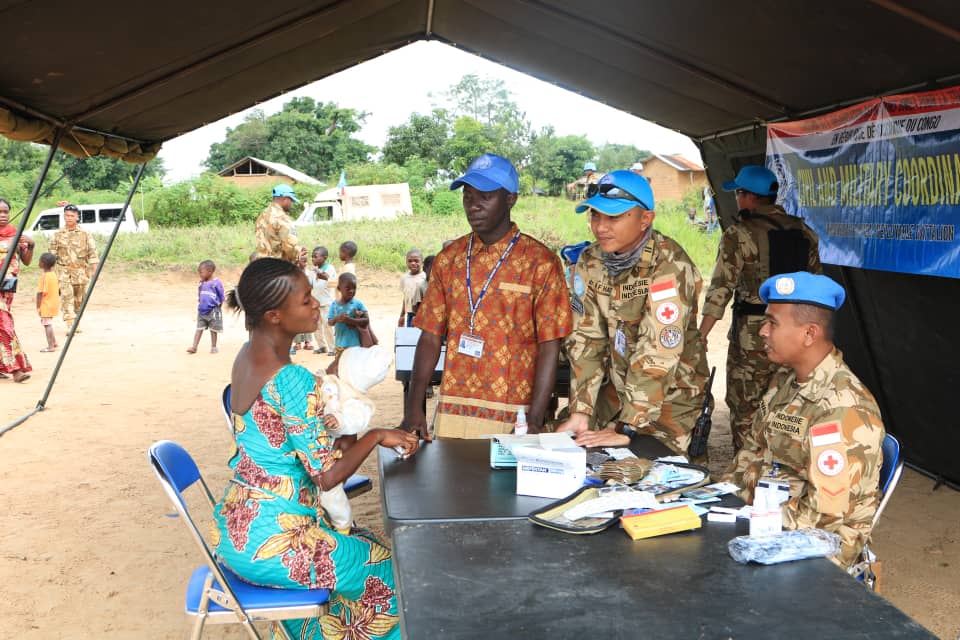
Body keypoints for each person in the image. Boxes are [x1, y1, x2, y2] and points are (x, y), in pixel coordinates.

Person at [212, 257, 418, 639]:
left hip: (238, 530)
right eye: (306, 300)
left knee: (361, 541)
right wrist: (376, 435)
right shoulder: (291, 379)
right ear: (274, 315)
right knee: (391, 571)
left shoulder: (246, 357)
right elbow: (326, 478)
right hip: (276, 543)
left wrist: (339, 434)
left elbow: (288, 442)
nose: (316, 305)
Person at [401, 153, 572, 439]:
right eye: (468, 196)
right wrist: (414, 408)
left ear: (510, 199)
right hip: (453, 410)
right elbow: (430, 335)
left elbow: (549, 345)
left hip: (514, 414)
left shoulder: (540, 263)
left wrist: (535, 418)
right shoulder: (449, 259)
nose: (473, 206)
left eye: (485, 197)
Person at [723, 272, 884, 568]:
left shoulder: (843, 408)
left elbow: (823, 518)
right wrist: (718, 501)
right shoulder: (786, 379)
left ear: (809, 334)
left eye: (773, 323)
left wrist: (745, 521)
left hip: (818, 547)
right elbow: (750, 454)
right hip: (765, 518)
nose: (762, 332)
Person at [556, 170, 710, 455]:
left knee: (665, 479)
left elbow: (658, 352)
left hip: (671, 399)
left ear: (645, 220)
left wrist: (628, 427)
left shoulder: (670, 267)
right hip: (617, 392)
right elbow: (586, 339)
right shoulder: (590, 261)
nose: (600, 226)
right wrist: (581, 410)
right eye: (595, 216)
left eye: (613, 217)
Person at [699, 165, 821, 451]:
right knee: (788, 403)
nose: (737, 200)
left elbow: (720, 289)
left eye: (739, 194)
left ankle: (747, 470)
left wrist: (702, 333)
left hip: (753, 335)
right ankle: (780, 468)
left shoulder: (739, 234)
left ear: (748, 196)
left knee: (745, 405)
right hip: (796, 333)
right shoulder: (804, 232)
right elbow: (817, 287)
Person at [47, 203, 98, 331]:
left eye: (72, 215)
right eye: (66, 215)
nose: (69, 218)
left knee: (79, 299)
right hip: (64, 272)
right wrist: (50, 273)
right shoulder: (57, 234)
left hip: (81, 272)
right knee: (66, 297)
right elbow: (51, 255)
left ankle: (76, 321)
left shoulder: (85, 234)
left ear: (77, 217)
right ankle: (70, 324)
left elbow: (93, 253)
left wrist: (94, 271)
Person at [0, 198, 35, 382]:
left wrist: (31, 244)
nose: (3, 216)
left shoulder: (16, 234)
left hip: (7, 290)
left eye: (5, 212)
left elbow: (27, 261)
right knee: (4, 325)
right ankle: (16, 369)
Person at [254, 184, 305, 263]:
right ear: (285, 199)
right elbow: (288, 245)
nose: (291, 204)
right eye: (291, 200)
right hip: (278, 264)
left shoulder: (262, 215)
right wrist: (299, 253)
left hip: (261, 262)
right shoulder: (282, 218)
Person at [187, 259, 224, 354]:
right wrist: (200, 303)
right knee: (199, 328)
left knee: (213, 329)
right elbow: (200, 294)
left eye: (201, 272)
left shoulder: (217, 283)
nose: (199, 274)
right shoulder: (201, 283)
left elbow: (221, 296)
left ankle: (214, 347)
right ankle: (194, 347)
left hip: (213, 310)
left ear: (210, 272)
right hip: (202, 310)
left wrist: (218, 307)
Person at [328, 272, 368, 355]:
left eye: (354, 288)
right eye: (348, 288)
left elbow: (366, 320)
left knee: (354, 366)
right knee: (340, 366)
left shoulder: (358, 304)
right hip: (339, 345)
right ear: (339, 288)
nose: (351, 291)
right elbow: (330, 322)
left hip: (355, 345)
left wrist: (350, 320)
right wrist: (337, 318)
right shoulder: (334, 305)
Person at [310, 246, 336, 354]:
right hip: (316, 303)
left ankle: (333, 348)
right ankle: (322, 346)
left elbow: (330, 279)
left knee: (328, 326)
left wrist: (319, 273)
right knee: (316, 326)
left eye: (315, 257)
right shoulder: (313, 271)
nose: (313, 259)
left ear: (324, 258)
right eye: (312, 257)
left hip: (326, 303)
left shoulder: (329, 268)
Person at [36, 252, 60, 352]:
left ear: (43, 263)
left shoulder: (44, 277)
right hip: (54, 303)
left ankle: (50, 347)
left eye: (40, 261)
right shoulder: (54, 275)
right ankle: (54, 343)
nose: (39, 262)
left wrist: (38, 306)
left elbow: (40, 293)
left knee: (47, 325)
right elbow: (59, 290)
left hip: (46, 304)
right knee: (49, 323)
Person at [398, 248, 426, 327]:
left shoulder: (424, 277)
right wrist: (402, 315)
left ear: (422, 262)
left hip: (423, 315)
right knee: (411, 336)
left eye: (416, 261)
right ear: (406, 262)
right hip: (410, 314)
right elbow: (405, 298)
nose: (413, 263)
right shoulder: (404, 278)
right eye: (410, 261)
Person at [293, 252, 314, 352]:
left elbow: (312, 285)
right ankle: (297, 342)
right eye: (303, 261)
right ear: (297, 261)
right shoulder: (294, 272)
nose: (305, 263)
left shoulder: (309, 273)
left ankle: (308, 342)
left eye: (306, 261)